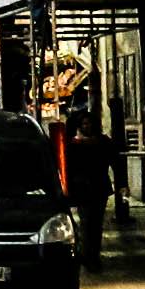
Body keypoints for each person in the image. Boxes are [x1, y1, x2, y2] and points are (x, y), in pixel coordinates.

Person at [61, 110, 113, 271]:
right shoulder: (73, 145)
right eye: (84, 124)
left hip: (98, 188)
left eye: (89, 123)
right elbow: (68, 169)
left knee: (95, 224)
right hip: (84, 189)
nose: (87, 126)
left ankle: (92, 255)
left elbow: (114, 161)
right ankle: (88, 255)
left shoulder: (102, 142)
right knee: (87, 222)